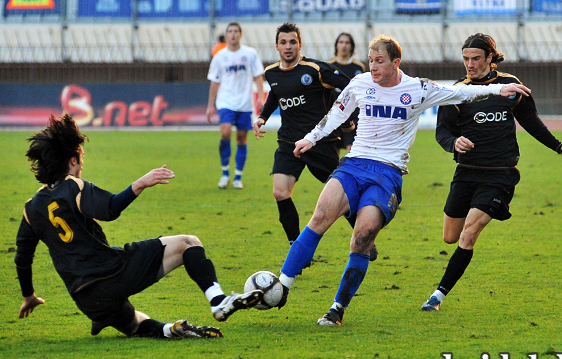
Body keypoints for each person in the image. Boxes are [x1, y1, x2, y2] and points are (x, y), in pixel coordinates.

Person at [273, 34, 532, 326]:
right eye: (371, 60)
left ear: (396, 62)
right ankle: (281, 286)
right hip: (354, 164)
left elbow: (462, 93)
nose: (373, 66)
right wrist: (310, 139)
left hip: (388, 173)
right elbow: (335, 114)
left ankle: (337, 308)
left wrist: (500, 89)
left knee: (362, 237)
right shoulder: (359, 84)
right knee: (320, 216)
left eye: (379, 61)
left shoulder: (417, 89)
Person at [14, 114, 263, 339]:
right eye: (80, 159)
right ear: (73, 158)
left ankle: (169, 329)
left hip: (85, 298)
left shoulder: (31, 207)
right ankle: (218, 301)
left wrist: (29, 297)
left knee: (134, 324)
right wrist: (141, 183)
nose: (81, 165)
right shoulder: (73, 185)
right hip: (112, 273)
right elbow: (110, 209)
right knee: (189, 243)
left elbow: (22, 258)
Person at [420, 33, 562, 312]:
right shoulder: (457, 91)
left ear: (490, 58)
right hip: (466, 172)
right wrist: (454, 143)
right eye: (466, 59)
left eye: (476, 58)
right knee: (450, 237)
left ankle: (437, 296)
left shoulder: (511, 86)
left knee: (468, 235)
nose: (470, 64)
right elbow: (443, 131)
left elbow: (531, 121)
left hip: (500, 174)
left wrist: (557, 145)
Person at [253, 23, 379, 261]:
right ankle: (297, 250)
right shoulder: (271, 72)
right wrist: (262, 116)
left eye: (293, 42)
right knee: (280, 192)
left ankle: (365, 237)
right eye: (283, 42)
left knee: (343, 196)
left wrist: (348, 117)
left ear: (300, 44)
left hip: (319, 142)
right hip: (289, 141)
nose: (288, 47)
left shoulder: (317, 69)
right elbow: (275, 94)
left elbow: (348, 87)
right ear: (277, 46)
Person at [207, 22, 264, 189]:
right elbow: (214, 82)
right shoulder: (219, 56)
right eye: (230, 31)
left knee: (241, 138)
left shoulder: (250, 54)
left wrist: (260, 97)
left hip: (245, 103)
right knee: (225, 132)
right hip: (225, 102)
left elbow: (258, 76)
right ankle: (225, 174)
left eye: (235, 31)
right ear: (226, 36)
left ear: (240, 34)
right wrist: (210, 106)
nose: (232, 34)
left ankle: (237, 176)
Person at [328, 32, 366, 152]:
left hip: (353, 118)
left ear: (352, 46)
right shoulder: (329, 66)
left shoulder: (358, 68)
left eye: (347, 42)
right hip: (334, 117)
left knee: (352, 152)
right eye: (341, 42)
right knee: (334, 154)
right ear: (336, 46)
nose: (344, 45)